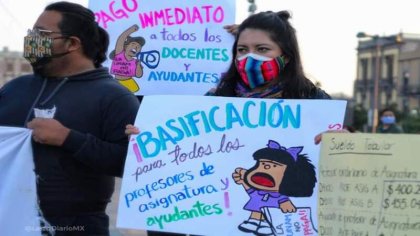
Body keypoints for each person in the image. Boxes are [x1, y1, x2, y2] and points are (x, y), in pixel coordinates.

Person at [0, 2, 139, 235]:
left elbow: (131, 163)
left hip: (76, 227)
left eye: (41, 34)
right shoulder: (15, 88)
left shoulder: (115, 97)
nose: (32, 39)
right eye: (31, 33)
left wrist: (68, 138)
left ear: (72, 43)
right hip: (8, 218)